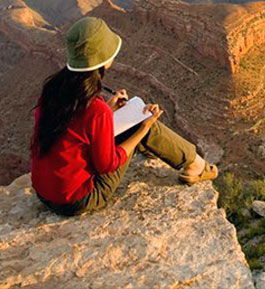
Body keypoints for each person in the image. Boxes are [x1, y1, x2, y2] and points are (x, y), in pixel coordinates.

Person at [30, 16, 218, 216]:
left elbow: (74, 129)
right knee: (140, 124)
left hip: (44, 193)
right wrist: (143, 128)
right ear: (103, 58)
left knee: (134, 121)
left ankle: (155, 148)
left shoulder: (52, 91)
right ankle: (196, 166)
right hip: (77, 200)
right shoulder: (95, 109)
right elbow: (107, 165)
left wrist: (109, 108)